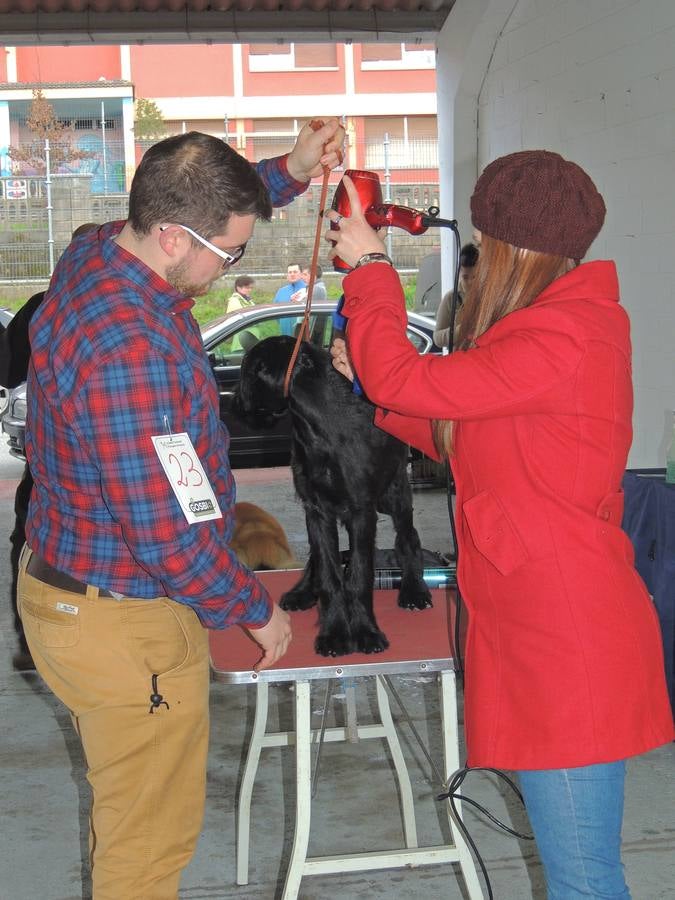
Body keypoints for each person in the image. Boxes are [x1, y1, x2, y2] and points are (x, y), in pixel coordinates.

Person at [327, 151, 674, 899]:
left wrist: (370, 274)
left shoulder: (563, 334)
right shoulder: (549, 329)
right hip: (540, 626)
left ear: (510, 248)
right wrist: (375, 388)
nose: (472, 262)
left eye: (479, 246)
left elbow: (406, 376)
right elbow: (459, 429)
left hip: (564, 643)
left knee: (583, 881)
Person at [18, 122, 344, 899]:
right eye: (226, 253)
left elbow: (204, 198)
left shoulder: (98, 248)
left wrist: (290, 172)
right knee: (147, 847)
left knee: (131, 816)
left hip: (72, 588)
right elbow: (164, 530)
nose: (228, 267)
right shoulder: (129, 348)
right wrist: (249, 607)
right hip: (123, 619)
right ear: (170, 237)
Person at [0, 222, 99, 672]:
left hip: (46, 459)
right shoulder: (113, 310)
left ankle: (32, 639)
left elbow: (6, 375)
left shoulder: (41, 308)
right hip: (98, 459)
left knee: (31, 540)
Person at [432, 242, 478, 349]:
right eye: (466, 277)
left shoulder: (489, 297)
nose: (470, 282)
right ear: (460, 273)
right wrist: (459, 331)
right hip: (460, 361)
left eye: (475, 277)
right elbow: (437, 338)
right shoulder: (451, 298)